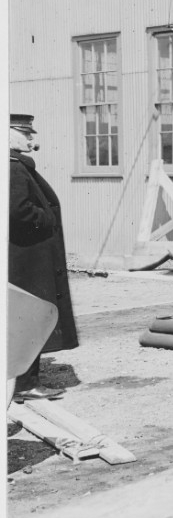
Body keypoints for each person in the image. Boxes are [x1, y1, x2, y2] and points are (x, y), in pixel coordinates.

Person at [9, 113, 78, 401]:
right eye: (25, 133)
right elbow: (16, 211)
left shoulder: (17, 165)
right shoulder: (12, 168)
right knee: (30, 317)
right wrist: (47, 218)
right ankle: (25, 384)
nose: (31, 139)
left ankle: (22, 381)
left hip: (23, 257)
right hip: (26, 259)